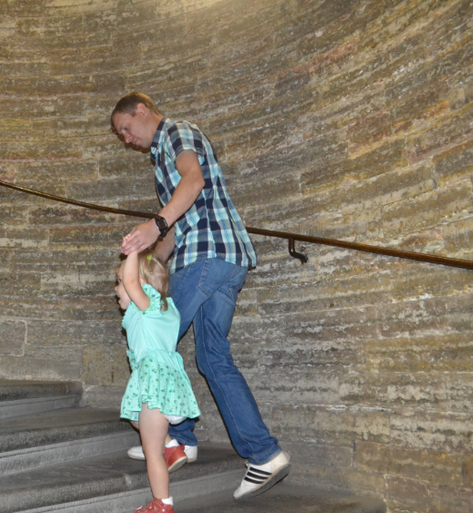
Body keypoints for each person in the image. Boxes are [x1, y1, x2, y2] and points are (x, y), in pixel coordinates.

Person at [111, 92, 291, 500]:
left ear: (142, 111)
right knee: (212, 357)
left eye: (126, 128)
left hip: (207, 257)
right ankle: (264, 454)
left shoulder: (175, 133)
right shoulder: (162, 155)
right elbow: (180, 221)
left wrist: (154, 224)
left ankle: (175, 440)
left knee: (154, 339)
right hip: (225, 260)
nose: (126, 138)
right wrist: (152, 259)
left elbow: (194, 182)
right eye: (121, 135)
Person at [116, 250, 201, 513]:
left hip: (153, 383)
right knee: (136, 419)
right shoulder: (167, 308)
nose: (116, 288)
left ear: (141, 284)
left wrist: (132, 251)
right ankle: (172, 446)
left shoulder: (148, 305)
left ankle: (162, 504)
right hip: (166, 383)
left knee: (151, 452)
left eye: (119, 281)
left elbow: (131, 281)